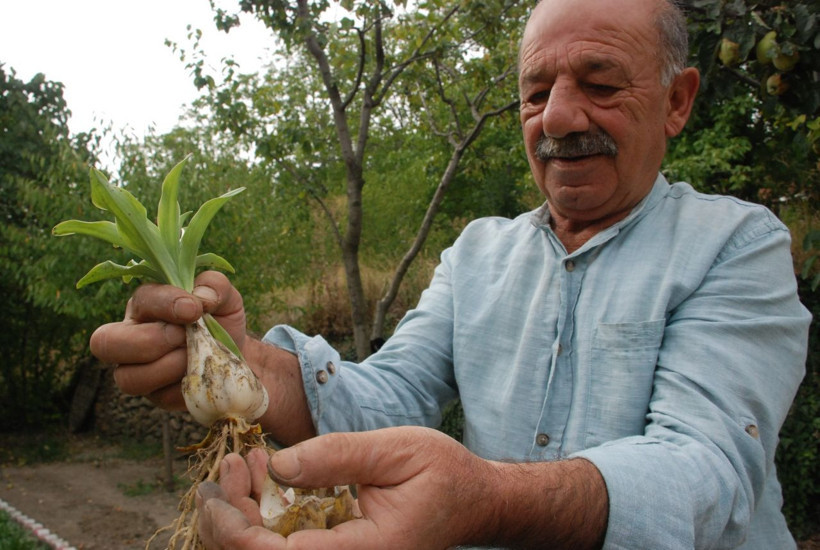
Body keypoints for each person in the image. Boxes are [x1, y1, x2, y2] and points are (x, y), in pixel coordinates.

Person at [91, 0, 812, 548]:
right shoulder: (479, 252)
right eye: (535, 93)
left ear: (678, 101)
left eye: (599, 83)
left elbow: (704, 469)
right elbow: (392, 395)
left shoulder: (736, 244)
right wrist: (234, 363)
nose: (558, 118)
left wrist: (487, 497)